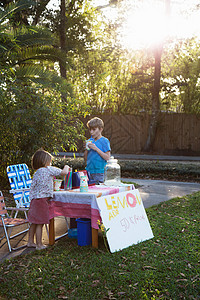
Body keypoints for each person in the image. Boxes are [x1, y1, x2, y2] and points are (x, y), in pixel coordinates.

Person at [27, 149, 70, 250]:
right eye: (50, 161)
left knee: (34, 222)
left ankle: (30, 242)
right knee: (40, 223)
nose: (50, 163)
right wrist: (67, 166)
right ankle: (39, 245)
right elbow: (64, 173)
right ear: (45, 161)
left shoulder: (37, 172)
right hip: (42, 200)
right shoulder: (49, 169)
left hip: (34, 200)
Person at [84, 117, 111, 184]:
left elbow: (107, 157)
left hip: (99, 172)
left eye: (94, 129)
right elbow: (85, 159)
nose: (91, 132)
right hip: (88, 171)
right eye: (90, 129)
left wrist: (96, 149)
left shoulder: (105, 141)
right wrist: (86, 149)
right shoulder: (90, 140)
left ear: (101, 129)